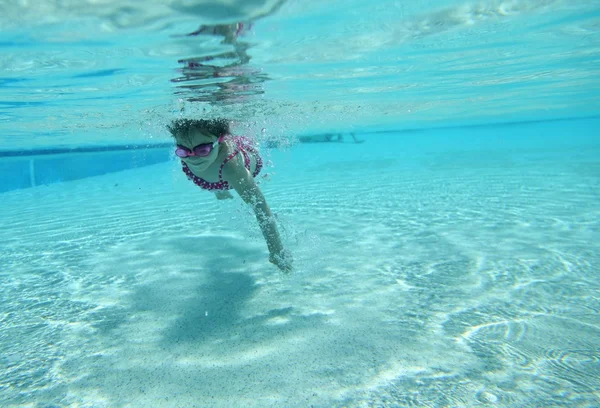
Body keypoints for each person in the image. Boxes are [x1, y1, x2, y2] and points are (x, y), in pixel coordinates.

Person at [167, 118, 292, 273]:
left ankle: (220, 189)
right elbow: (194, 151)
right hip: (217, 177)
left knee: (232, 182)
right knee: (217, 187)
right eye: (183, 151)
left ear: (219, 141)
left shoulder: (232, 168)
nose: (192, 158)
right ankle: (219, 190)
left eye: (202, 150)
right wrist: (192, 152)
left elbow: (261, 208)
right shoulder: (191, 153)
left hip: (243, 157)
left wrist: (276, 251)